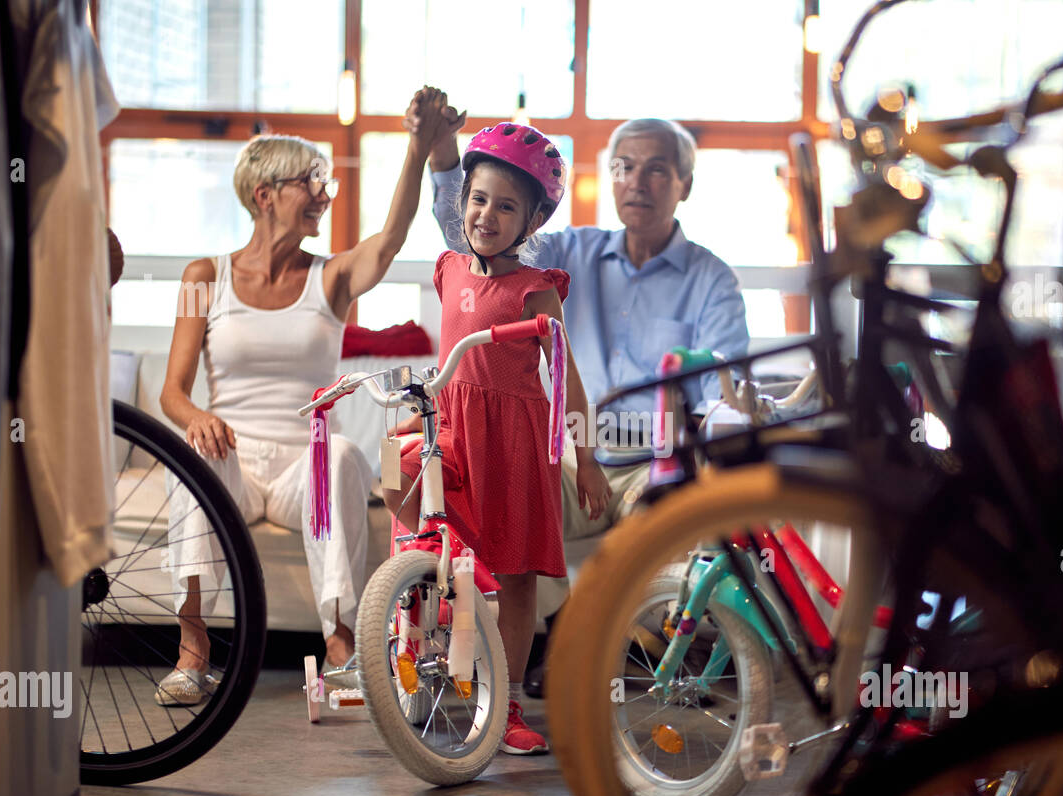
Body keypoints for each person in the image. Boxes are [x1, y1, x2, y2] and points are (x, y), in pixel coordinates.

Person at [155, 88, 460, 706]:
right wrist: (198, 418)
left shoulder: (333, 277)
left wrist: (418, 146)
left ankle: (341, 650)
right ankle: (192, 651)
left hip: (305, 467)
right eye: (312, 183)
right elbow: (171, 392)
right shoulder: (202, 278)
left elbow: (391, 239)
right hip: (230, 460)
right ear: (264, 196)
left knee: (343, 451)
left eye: (328, 185)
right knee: (193, 452)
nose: (325, 195)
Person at [412, 110, 750, 543]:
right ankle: (555, 614)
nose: (637, 181)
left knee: (658, 535)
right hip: (567, 460)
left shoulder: (712, 280)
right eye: (623, 167)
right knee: (486, 500)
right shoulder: (567, 251)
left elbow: (720, 395)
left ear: (686, 184)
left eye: (657, 169)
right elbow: (477, 236)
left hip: (657, 467)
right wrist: (443, 155)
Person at [384, 122, 608, 754]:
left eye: (507, 206)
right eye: (479, 199)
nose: (488, 215)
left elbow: (566, 378)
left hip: (513, 444)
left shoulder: (535, 289)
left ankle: (505, 704)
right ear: (464, 203)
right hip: (451, 426)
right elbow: (450, 361)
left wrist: (586, 458)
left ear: (532, 219)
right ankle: (424, 614)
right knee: (397, 474)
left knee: (517, 578)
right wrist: (421, 406)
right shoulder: (449, 268)